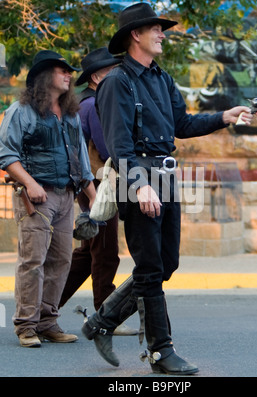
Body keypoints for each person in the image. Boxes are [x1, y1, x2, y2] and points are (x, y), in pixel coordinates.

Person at [81, 3, 254, 374]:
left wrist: (226, 116)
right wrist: (140, 186)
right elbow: (119, 145)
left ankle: (100, 322)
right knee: (149, 266)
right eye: (156, 29)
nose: (162, 33)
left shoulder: (160, 77)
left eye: (162, 28)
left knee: (166, 264)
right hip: (137, 179)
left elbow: (183, 124)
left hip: (165, 176)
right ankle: (161, 352)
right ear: (135, 36)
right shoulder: (116, 82)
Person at [0, 50, 96, 348]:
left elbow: (81, 159)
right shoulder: (21, 110)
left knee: (61, 260)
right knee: (33, 261)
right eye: (62, 70)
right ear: (44, 77)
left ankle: (48, 321)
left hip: (67, 196)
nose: (69, 75)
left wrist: (93, 198)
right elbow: (6, 153)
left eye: (69, 71)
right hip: (37, 199)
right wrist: (29, 184)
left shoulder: (70, 114)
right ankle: (26, 325)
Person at [59, 47, 137, 336]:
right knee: (105, 252)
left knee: (87, 253)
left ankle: (46, 306)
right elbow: (108, 148)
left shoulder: (87, 102)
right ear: (96, 76)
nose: (118, 73)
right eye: (111, 69)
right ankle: (107, 314)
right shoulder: (94, 105)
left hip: (89, 183)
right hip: (98, 186)